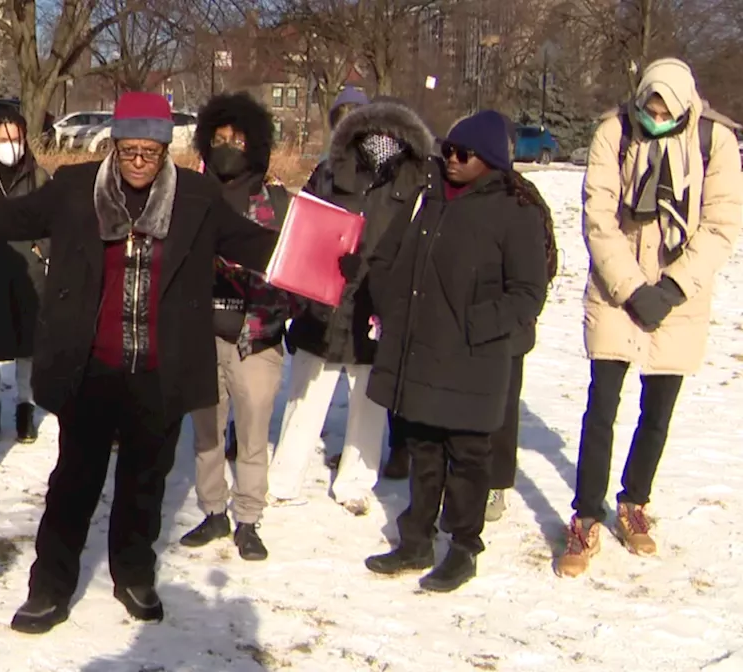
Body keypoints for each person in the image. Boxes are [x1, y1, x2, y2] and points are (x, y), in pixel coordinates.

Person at [0, 92, 278, 634]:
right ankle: (50, 586)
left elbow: (258, 246)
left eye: (150, 153)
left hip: (160, 371)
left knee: (145, 486)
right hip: (92, 368)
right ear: (114, 145)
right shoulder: (74, 189)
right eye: (129, 150)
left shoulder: (197, 198)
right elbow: (5, 216)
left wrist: (334, 261)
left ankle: (134, 573)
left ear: (165, 151)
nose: (139, 162)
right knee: (73, 484)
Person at [557, 58, 743, 577]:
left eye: (666, 112)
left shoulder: (715, 142)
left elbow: (723, 221)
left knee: (657, 412)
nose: (656, 117)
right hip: (617, 290)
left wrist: (674, 286)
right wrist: (631, 287)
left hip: (679, 293)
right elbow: (598, 216)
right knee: (602, 408)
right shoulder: (613, 132)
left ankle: (634, 501)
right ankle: (585, 515)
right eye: (649, 109)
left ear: (684, 107)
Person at [363, 110, 551, 592]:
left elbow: (529, 292)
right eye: (447, 149)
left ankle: (463, 547)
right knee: (424, 448)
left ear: (488, 160)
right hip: (423, 351)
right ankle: (417, 539)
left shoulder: (515, 210)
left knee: (468, 457)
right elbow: (400, 259)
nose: (451, 159)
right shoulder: (433, 199)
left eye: (462, 154)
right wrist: (390, 302)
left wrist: (476, 325)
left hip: (473, 357)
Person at [270, 96, 434, 514]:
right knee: (305, 395)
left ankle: (357, 480)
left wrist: (392, 287)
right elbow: (304, 223)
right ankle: (285, 478)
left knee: (370, 398)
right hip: (323, 296)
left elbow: (421, 241)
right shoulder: (329, 170)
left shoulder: (417, 179)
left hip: (376, 300)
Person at [178, 92, 292, 561]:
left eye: (237, 139)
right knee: (206, 433)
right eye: (219, 139)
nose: (227, 147)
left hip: (257, 336)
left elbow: (295, 267)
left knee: (251, 433)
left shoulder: (279, 202)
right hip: (202, 336)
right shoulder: (191, 196)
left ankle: (248, 518)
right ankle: (212, 511)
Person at [484, 113, 558, 523]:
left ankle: (496, 483)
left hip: (510, 325)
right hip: (467, 321)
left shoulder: (525, 199)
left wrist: (516, 312)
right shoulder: (458, 194)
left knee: (503, 407)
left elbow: (545, 261)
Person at [0, 111, 51, 444]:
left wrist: (41, 251)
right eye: (4, 140)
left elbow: (52, 219)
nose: (10, 146)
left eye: (16, 139)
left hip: (28, 273)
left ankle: (25, 411)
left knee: (27, 346)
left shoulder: (39, 176)